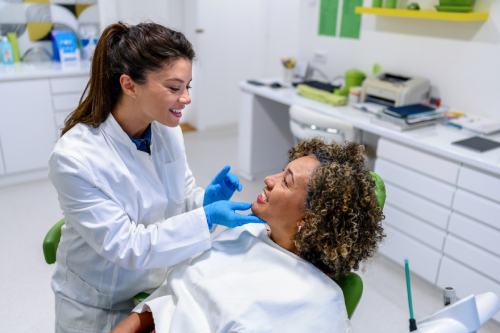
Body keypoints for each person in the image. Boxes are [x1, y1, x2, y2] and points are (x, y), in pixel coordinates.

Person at [48, 22, 264, 333]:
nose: (186, 98)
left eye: (188, 86)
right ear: (130, 85)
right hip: (95, 302)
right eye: (174, 88)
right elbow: (127, 246)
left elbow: (177, 197)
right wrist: (205, 218)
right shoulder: (75, 158)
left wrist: (205, 200)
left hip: (154, 290)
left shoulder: (165, 131)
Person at [111, 139, 386, 333]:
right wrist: (129, 325)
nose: (269, 178)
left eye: (285, 181)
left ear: (308, 220)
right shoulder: (244, 232)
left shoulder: (318, 301)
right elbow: (174, 293)